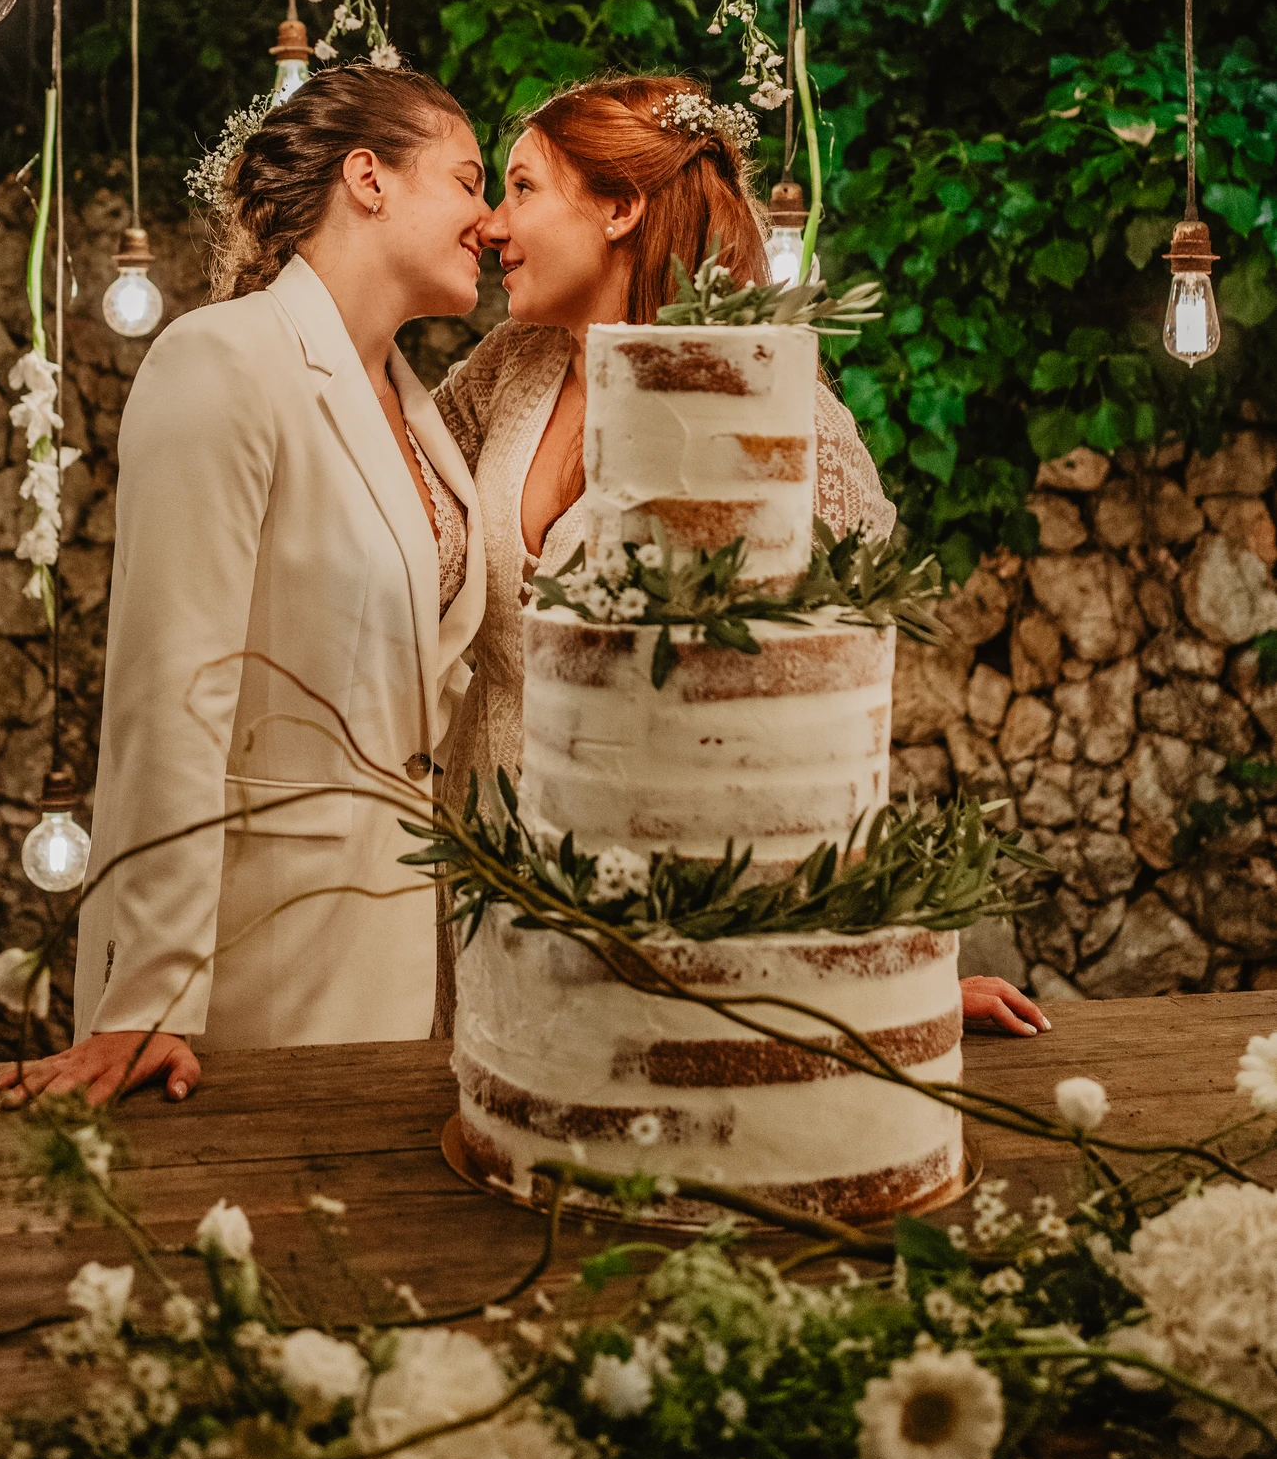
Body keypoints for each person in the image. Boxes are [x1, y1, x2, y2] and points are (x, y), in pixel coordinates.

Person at [433, 71, 1047, 1042]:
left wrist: (883, 971)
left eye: (522, 188)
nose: (493, 225)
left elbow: (811, 730)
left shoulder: (768, 416)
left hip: (666, 889)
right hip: (479, 852)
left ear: (621, 208)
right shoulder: (509, 368)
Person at [0, 65, 489, 1111]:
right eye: (468, 180)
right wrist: (153, 992)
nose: (487, 220)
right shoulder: (222, 359)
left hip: (406, 933)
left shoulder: (420, 410)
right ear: (369, 179)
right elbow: (172, 691)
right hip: (254, 954)